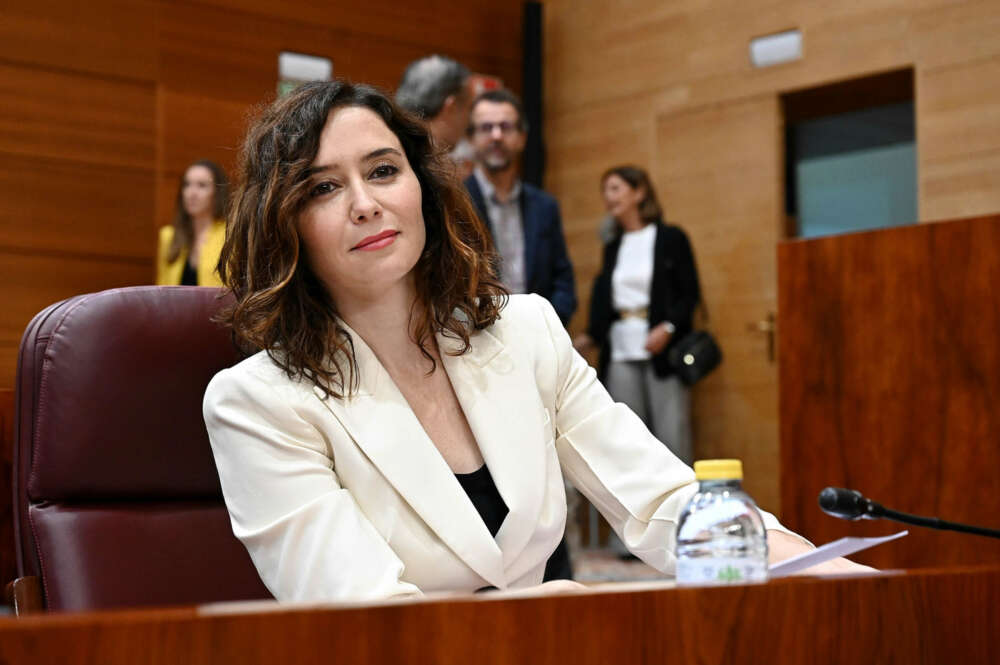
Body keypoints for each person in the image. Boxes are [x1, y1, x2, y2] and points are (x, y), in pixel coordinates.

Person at [202, 80, 866, 603]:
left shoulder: (526, 331)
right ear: (284, 223)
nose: (366, 203)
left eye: (383, 171)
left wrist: (817, 566)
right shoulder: (257, 402)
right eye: (323, 186)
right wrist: (542, 610)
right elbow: (368, 616)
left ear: (422, 190)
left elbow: (660, 499)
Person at [574, 166, 699, 465]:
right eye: (605, 191)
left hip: (662, 351)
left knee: (672, 441)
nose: (608, 197)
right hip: (621, 349)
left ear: (639, 192)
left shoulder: (670, 238)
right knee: (629, 443)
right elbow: (607, 300)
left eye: (615, 188)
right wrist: (591, 335)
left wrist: (667, 328)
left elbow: (689, 294)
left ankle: (680, 510)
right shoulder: (613, 247)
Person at [464, 89, 577, 325]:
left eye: (505, 127)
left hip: (540, 334)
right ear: (471, 139)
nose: (496, 135)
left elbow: (563, 279)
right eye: (486, 128)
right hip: (478, 335)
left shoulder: (545, 206)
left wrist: (549, 323)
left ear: (522, 138)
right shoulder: (455, 202)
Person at [156, 159, 228, 286]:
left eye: (202, 185)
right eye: (187, 184)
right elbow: (161, 290)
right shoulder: (168, 236)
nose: (192, 193)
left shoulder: (229, 236)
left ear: (217, 192)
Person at [395, 54, 473, 152]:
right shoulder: (418, 160)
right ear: (451, 107)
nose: (470, 120)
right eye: (469, 108)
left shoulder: (390, 142)